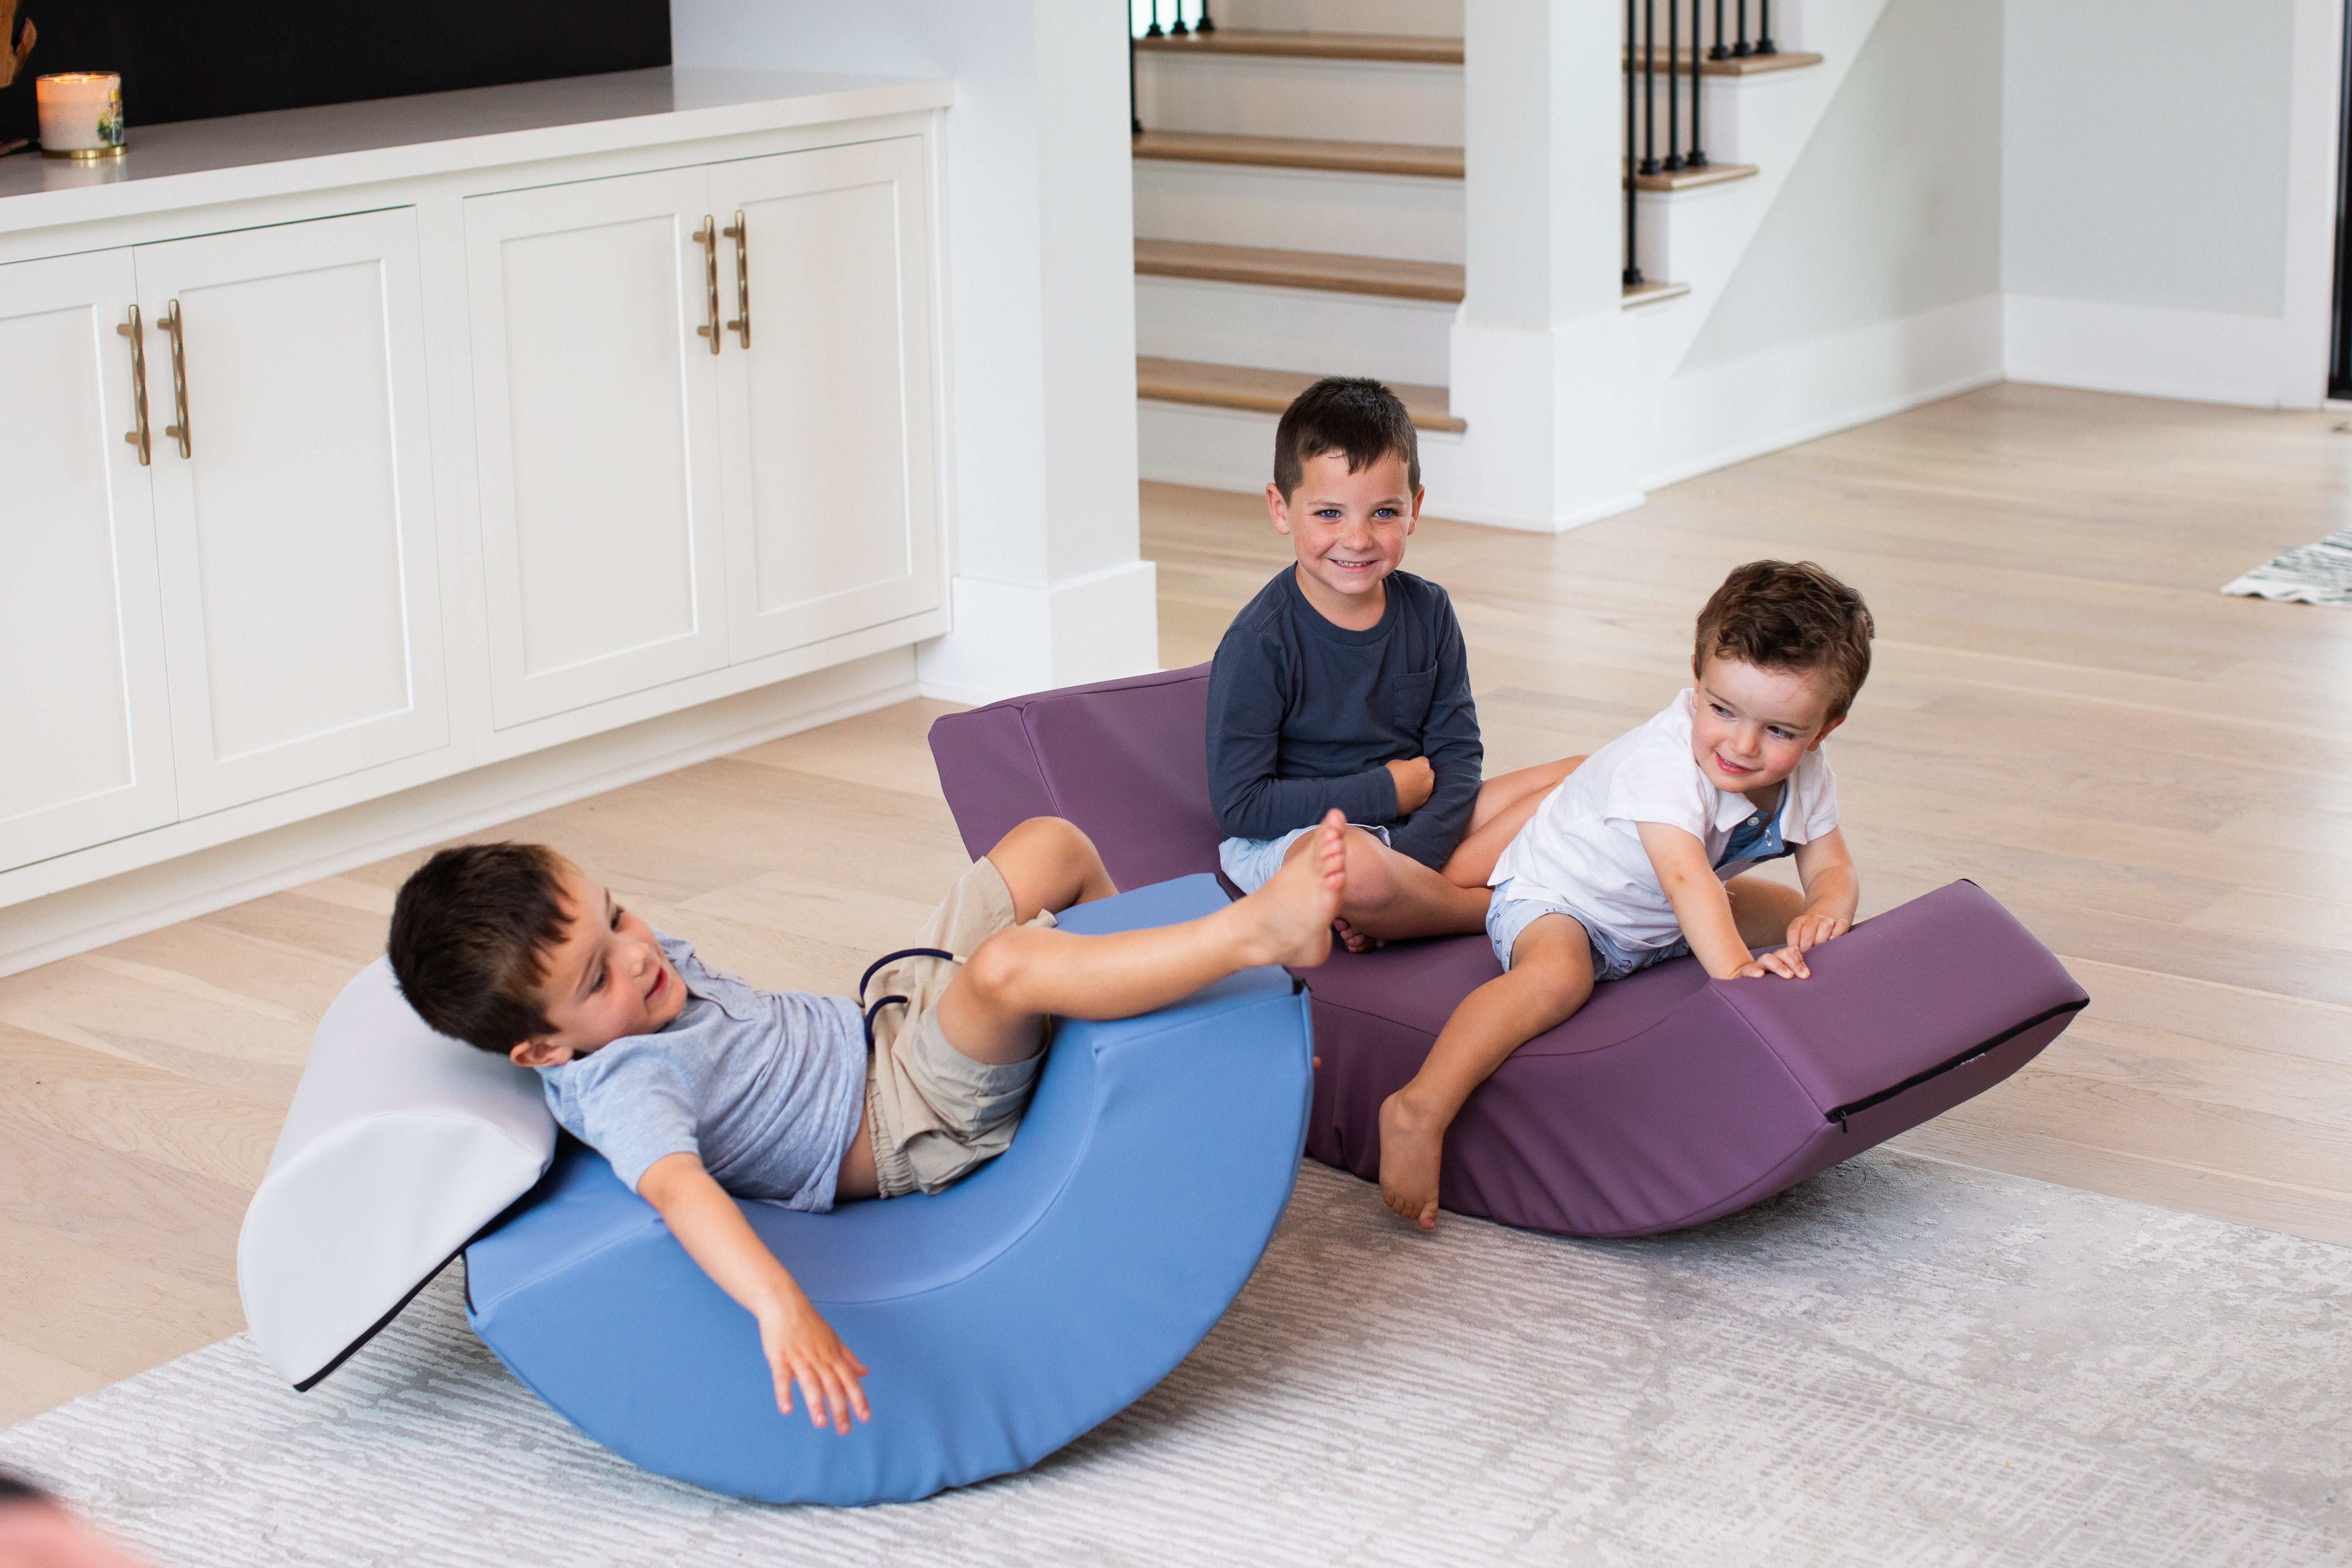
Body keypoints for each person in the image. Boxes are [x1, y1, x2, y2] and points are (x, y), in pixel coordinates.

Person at [387, 811, 1350, 1433]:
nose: (637, 957)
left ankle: (1194, 1029)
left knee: (1049, 846)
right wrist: (778, 1304)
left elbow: (634, 963)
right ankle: (1252, 936)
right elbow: (680, 1194)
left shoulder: (633, 980)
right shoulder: (628, 1081)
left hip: (889, 1018)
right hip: (904, 1117)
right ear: (546, 1052)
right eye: (597, 975)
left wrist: (611, 958)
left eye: (619, 918)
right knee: (1010, 969)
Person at [1376, 560, 1873, 1229]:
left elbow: (1832, 866)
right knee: (1558, 976)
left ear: (1826, 727)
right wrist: (1738, 975)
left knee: (1797, 919)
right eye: (1722, 710)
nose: (1742, 745)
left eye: (1780, 731)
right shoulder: (1664, 765)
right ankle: (1421, 1107)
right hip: (1565, 900)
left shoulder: (1807, 772)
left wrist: (1825, 913)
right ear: (1696, 684)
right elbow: (1686, 877)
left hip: (1662, 920)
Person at [1207, 376, 1582, 951]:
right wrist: (1383, 793)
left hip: (1416, 824)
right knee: (1353, 861)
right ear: (1281, 510)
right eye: (1329, 513)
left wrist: (1415, 855)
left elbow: (1458, 757)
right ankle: (1473, 907)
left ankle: (1418, 903)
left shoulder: (1429, 610)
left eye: (1384, 512)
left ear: (1415, 510)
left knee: (1583, 775)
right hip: (1305, 836)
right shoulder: (1260, 641)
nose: (1357, 539)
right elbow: (1242, 807)